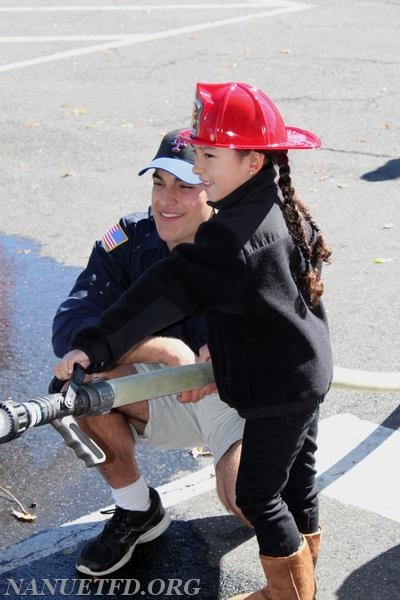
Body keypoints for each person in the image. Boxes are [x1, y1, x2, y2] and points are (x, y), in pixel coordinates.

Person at [54, 83, 333, 599]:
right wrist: (101, 346)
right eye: (163, 180)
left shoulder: (230, 240)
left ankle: (289, 594)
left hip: (263, 391)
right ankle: (295, 570)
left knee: (258, 496)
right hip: (296, 374)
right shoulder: (273, 203)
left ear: (251, 161)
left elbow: (167, 291)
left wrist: (100, 342)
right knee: (295, 487)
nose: (196, 172)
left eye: (206, 159)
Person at [52, 128, 246, 578]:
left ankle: (285, 479)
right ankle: (137, 510)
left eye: (183, 185)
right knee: (80, 383)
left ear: (211, 189)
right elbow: (71, 326)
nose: (166, 199)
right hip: (167, 389)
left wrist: (228, 345)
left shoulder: (245, 242)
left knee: (245, 502)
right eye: (158, 182)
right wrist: (162, 349)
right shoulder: (130, 238)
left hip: (237, 396)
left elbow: (293, 323)